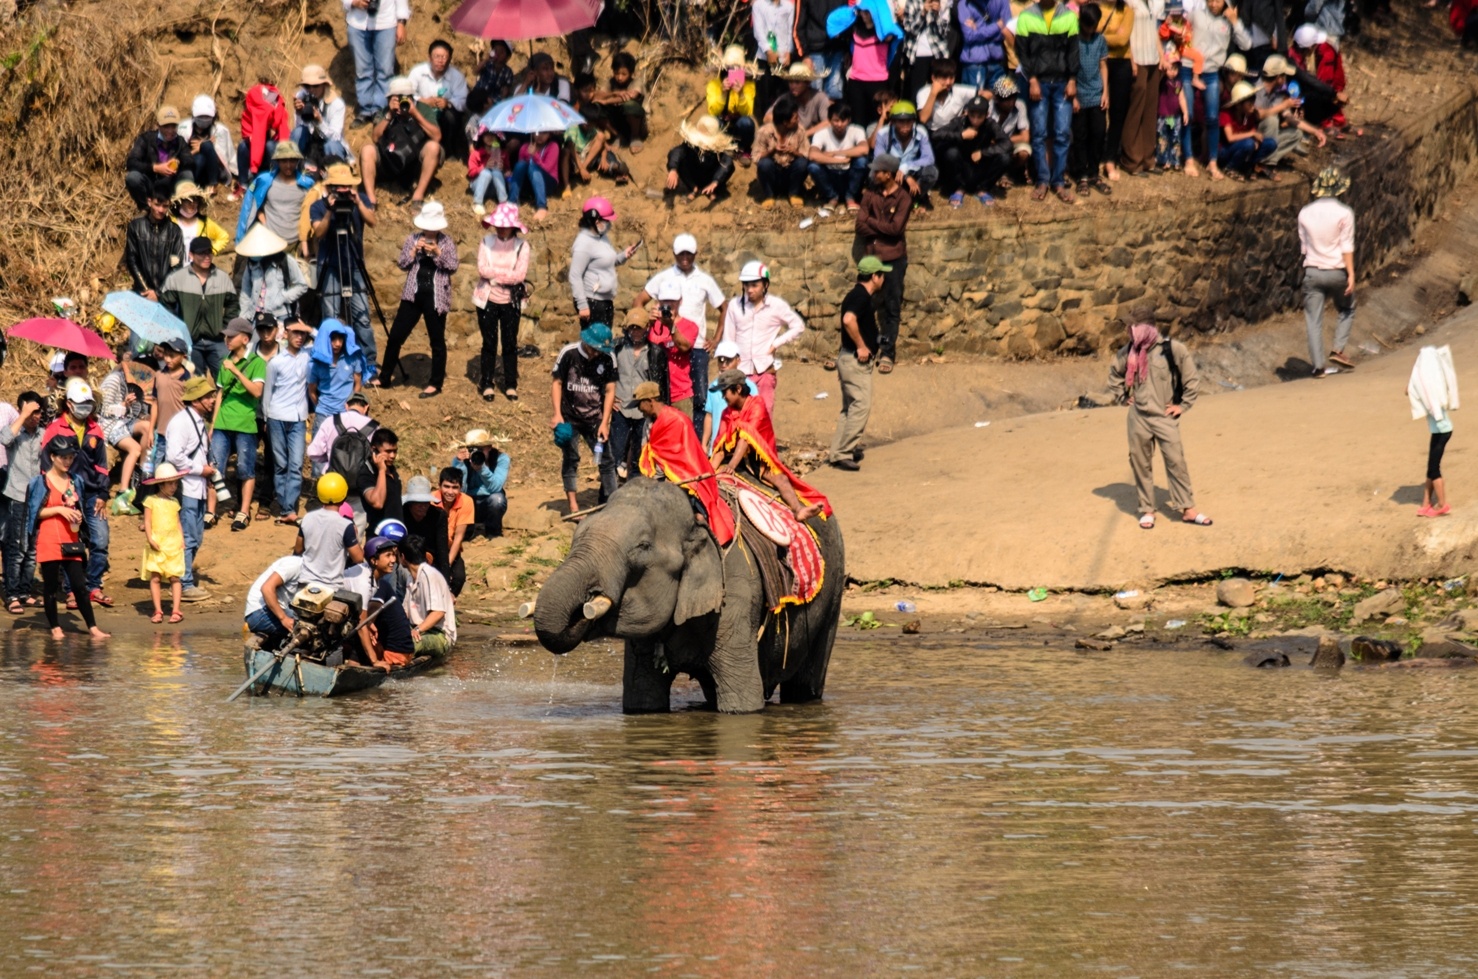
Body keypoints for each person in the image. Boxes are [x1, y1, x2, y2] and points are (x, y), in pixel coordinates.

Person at [1109, 303, 1211, 529]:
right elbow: (1114, 375)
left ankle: (1187, 508)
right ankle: (1147, 509)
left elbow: (1191, 378)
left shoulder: (1172, 350)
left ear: (1145, 328)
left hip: (1164, 417)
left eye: (1133, 327)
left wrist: (1182, 405)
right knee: (1140, 462)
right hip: (1139, 418)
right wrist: (1122, 397)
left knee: (1176, 461)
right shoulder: (1127, 352)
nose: (1129, 332)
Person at [630, 234, 727, 434]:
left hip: (696, 345)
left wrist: (716, 339)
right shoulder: (663, 278)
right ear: (674, 254)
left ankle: (696, 442)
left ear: (695, 254)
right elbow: (638, 301)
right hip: (664, 345)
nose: (685, 257)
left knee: (699, 398)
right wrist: (645, 320)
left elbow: (724, 307)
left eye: (689, 253)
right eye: (681, 253)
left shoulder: (705, 280)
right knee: (663, 395)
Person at [711, 368, 829, 521]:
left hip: (760, 461)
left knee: (782, 480)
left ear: (738, 389)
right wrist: (710, 473)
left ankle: (798, 510)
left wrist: (731, 467)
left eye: (725, 392)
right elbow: (721, 446)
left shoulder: (757, 404)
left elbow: (747, 436)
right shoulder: (727, 413)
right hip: (733, 458)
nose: (722, 396)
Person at [39, 379, 113, 608]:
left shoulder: (95, 429)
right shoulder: (54, 429)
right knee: (72, 543)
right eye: (81, 403)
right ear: (69, 404)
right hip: (66, 495)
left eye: (88, 402)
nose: (85, 406)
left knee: (100, 540)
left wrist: (103, 493)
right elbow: (44, 465)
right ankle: (72, 590)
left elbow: (102, 465)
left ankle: (93, 585)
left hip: (92, 494)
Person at [633, 382, 736, 544]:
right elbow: (648, 452)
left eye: (640, 404)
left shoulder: (677, 420)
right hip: (656, 480)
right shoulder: (648, 424)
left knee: (696, 516)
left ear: (651, 400)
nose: (639, 409)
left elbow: (686, 457)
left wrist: (670, 479)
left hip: (685, 478)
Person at [27, 434, 108, 640]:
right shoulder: (40, 481)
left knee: (80, 586)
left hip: (71, 538)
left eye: (71, 457)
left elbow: (76, 506)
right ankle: (55, 627)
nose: (67, 461)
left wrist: (77, 515)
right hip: (48, 538)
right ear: (53, 457)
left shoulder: (76, 480)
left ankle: (93, 627)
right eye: (63, 457)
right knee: (51, 586)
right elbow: (35, 514)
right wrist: (58, 510)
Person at [379, 203, 458, 398]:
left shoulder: (446, 242)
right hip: (412, 295)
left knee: (437, 341)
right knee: (396, 336)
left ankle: (435, 383)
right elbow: (403, 264)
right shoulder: (413, 238)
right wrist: (414, 252)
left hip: (436, 297)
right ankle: (385, 376)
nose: (429, 231)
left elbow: (452, 266)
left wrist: (437, 253)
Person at [308, 163, 378, 377]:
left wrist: (357, 201)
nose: (342, 191)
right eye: (338, 187)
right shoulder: (318, 206)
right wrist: (329, 211)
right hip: (329, 264)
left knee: (362, 316)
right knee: (330, 316)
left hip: (354, 264)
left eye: (346, 186)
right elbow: (318, 233)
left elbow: (373, 221)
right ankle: (330, 361)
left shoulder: (360, 201)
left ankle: (370, 362)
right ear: (329, 188)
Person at [720, 262, 805, 416]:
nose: (750, 289)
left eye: (755, 285)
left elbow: (798, 326)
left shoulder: (776, 306)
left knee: (762, 419)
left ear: (765, 285)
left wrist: (776, 344)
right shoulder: (735, 306)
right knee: (739, 418)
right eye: (746, 285)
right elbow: (728, 340)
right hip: (740, 375)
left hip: (765, 372)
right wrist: (726, 371)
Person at [1016, 0, 1080, 202]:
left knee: (1062, 133)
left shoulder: (1069, 16)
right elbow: (1022, 52)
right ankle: (1042, 180)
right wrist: (1032, 80)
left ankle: (1058, 181)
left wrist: (1072, 79)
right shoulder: (1026, 17)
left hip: (1062, 83)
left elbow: (1074, 51)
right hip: (1039, 83)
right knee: (1039, 133)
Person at [552, 324, 618, 514]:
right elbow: (557, 383)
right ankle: (573, 506)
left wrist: (605, 422)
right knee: (571, 459)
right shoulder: (569, 353)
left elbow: (610, 390)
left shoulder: (608, 358)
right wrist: (557, 414)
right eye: (595, 349)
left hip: (595, 417)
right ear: (587, 343)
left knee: (607, 460)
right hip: (569, 416)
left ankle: (614, 504)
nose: (597, 354)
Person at [1298, 166, 1357, 378]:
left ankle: (1318, 367)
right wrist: (1351, 273)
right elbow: (1346, 246)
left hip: (1312, 271)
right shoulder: (1345, 213)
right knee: (1347, 309)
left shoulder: (1304, 213)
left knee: (1313, 319)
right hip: (1336, 271)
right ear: (1338, 190)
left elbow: (1304, 248)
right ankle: (1338, 349)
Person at [829, 257, 887, 471]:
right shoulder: (860, 297)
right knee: (861, 406)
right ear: (874, 276)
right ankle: (843, 452)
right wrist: (862, 346)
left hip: (848, 359)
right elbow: (848, 320)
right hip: (855, 360)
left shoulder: (857, 295)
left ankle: (839, 451)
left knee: (850, 408)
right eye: (882, 275)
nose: (884, 279)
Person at [855, 154, 911, 373]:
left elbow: (896, 230)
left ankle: (887, 353)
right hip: (871, 258)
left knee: (891, 307)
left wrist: (870, 221)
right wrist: (880, 226)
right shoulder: (870, 195)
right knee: (864, 305)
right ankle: (867, 348)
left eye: (877, 171)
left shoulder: (904, 198)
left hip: (893, 259)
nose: (873, 174)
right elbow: (859, 226)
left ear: (888, 174)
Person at [164, 376, 218, 600]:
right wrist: (200, 469)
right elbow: (173, 456)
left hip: (198, 488)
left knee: (196, 537)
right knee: (187, 537)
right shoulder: (181, 423)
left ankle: (182, 579)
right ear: (195, 400)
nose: (213, 400)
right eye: (208, 397)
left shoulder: (197, 422)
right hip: (186, 488)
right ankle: (184, 583)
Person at [212, 318, 266, 529]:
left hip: (245, 424)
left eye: (231, 336)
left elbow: (256, 392)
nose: (227, 340)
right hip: (222, 423)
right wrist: (213, 424)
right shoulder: (224, 361)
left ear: (245, 339)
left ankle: (243, 511)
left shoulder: (257, 363)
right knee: (215, 468)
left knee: (245, 468)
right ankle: (211, 510)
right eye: (226, 336)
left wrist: (235, 370)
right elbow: (219, 394)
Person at [473, 204, 530, 402]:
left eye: (505, 226)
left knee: (510, 342)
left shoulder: (522, 246)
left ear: (513, 227)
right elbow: (482, 269)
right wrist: (504, 276)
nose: (501, 229)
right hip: (487, 298)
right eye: (498, 225)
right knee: (489, 342)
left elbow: (519, 275)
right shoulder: (486, 241)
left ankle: (510, 383)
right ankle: (487, 382)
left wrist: (497, 277)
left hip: (511, 300)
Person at [1190, 0, 1252, 179]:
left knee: (1212, 118)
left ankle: (1211, 161)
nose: (1214, 4)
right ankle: (1199, 155)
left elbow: (1246, 44)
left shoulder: (1227, 21)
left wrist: (1235, 21)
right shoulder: (1197, 14)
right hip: (1195, 69)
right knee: (1201, 119)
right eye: (1211, 1)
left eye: (1218, 1)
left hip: (1212, 73)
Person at [161, 237, 240, 376]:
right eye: (201, 253)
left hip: (217, 340)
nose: (207, 257)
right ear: (191, 255)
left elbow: (233, 304)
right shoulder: (178, 278)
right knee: (195, 384)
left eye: (209, 252)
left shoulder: (222, 278)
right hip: (190, 342)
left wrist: (226, 328)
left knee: (226, 378)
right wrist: (177, 328)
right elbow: (165, 304)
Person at [361, 76, 443, 206]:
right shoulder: (386, 111)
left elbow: (437, 136)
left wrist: (415, 113)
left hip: (415, 160)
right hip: (390, 158)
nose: (400, 102)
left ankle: (418, 196)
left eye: (404, 98)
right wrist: (389, 115)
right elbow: (375, 137)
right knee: (367, 150)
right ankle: (371, 200)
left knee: (433, 147)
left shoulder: (422, 109)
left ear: (411, 97)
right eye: (396, 98)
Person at [263, 321, 315, 522]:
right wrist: (267, 417)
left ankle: (287, 509)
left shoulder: (307, 356)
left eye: (303, 334)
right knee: (281, 464)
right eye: (296, 333)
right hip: (276, 416)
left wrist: (310, 328)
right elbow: (268, 393)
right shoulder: (275, 362)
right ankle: (287, 509)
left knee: (295, 464)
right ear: (286, 334)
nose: (300, 337)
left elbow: (324, 341)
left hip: (299, 417)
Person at [1, 393, 44, 613]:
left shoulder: (42, 435)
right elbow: (4, 438)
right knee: (16, 547)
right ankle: (12, 594)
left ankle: (25, 591)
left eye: (38, 412)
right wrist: (23, 413)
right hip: (16, 495)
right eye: (32, 412)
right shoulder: (15, 433)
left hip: (37, 499)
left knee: (32, 549)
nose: (35, 416)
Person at [570, 196, 637, 330]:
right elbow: (575, 275)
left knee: (604, 344)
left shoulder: (602, 237)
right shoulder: (584, 243)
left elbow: (607, 262)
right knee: (594, 346)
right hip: (592, 302)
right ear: (595, 221)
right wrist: (582, 305)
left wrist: (624, 255)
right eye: (606, 221)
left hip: (605, 301)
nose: (609, 224)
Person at [1408, 345, 1459, 518]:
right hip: (1440, 431)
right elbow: (1414, 389)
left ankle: (1443, 504)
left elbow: (1425, 392)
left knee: (1433, 468)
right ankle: (1425, 505)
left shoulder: (1431, 387)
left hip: (1443, 431)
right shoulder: (1432, 384)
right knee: (1430, 468)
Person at [835, 1, 902, 127]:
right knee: (857, 123)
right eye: (862, 12)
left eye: (867, 12)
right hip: (856, 81)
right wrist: (852, 12)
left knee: (876, 122)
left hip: (878, 81)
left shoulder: (884, 32)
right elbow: (835, 28)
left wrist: (880, 11)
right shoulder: (854, 28)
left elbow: (892, 31)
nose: (864, 15)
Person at [1254, 55, 1327, 171]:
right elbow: (1258, 115)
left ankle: (1266, 162)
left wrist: (1315, 131)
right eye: (1284, 75)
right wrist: (1283, 105)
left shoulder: (1277, 92)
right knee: (1272, 120)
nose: (1286, 79)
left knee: (1296, 134)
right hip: (1255, 134)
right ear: (1278, 77)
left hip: (1267, 134)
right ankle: (1261, 163)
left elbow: (1289, 117)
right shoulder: (1258, 88)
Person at [98, 353, 153, 506]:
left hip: (127, 421)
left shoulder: (139, 384)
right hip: (111, 423)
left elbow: (137, 412)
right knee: (135, 449)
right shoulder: (114, 379)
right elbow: (103, 410)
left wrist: (145, 415)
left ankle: (142, 472)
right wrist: (123, 404)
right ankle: (122, 491)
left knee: (148, 427)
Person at [1119, 0, 1165, 176]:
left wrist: (1162, 55)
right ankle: (1132, 160)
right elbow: (1126, 31)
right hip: (1137, 57)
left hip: (1152, 57)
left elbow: (1154, 30)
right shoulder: (1130, 2)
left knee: (1150, 108)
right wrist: (1131, 60)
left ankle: (1148, 159)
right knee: (1136, 109)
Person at [1070, 4, 1112, 197]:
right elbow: (1068, 70)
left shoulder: (1100, 40)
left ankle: (1094, 173)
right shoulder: (1074, 40)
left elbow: (1103, 65)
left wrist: (1105, 92)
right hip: (1079, 95)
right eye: (1088, 25)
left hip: (1096, 95)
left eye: (1093, 25)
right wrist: (1073, 97)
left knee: (1098, 134)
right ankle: (1081, 176)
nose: (1090, 29)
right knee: (1080, 137)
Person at [296, 472, 364, 589]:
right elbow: (358, 558)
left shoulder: (307, 518)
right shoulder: (345, 525)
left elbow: (298, 549)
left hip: (304, 582)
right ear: (344, 496)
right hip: (330, 587)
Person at [345, 0, 409, 124]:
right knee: (362, 70)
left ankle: (380, 109)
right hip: (357, 23)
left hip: (386, 23)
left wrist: (401, 22)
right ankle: (365, 110)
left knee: (385, 71)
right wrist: (354, 2)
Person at [941, 97, 1012, 208]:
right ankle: (959, 188)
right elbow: (936, 135)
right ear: (967, 113)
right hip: (962, 168)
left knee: (1005, 158)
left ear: (987, 115)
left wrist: (983, 153)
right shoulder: (959, 122)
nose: (975, 120)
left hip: (981, 167)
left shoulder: (991, 124)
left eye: (979, 117)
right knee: (950, 153)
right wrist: (960, 135)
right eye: (972, 116)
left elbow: (1007, 144)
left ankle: (982, 190)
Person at [611, 315, 657, 480]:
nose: (636, 332)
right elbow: (605, 375)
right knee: (614, 453)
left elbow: (658, 381)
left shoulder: (654, 351)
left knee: (639, 455)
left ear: (647, 328)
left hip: (642, 411)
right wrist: (607, 398)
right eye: (632, 328)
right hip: (621, 408)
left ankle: (634, 491)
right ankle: (608, 494)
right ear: (626, 329)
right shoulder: (617, 348)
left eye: (639, 327)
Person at [359, 536, 415, 669]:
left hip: (395, 653)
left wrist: (374, 660)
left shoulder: (378, 586)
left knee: (359, 637)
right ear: (374, 561)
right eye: (388, 556)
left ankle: (353, 664)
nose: (393, 560)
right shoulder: (376, 583)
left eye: (394, 555)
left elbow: (364, 623)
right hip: (401, 650)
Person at [236, 224, 309, 326]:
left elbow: (302, 285)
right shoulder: (251, 263)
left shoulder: (285, 260)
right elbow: (245, 290)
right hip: (254, 316)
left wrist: (283, 297)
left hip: (279, 316)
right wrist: (243, 316)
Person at [140, 462, 186, 623]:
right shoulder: (150, 500)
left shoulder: (175, 502)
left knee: (175, 577)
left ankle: (176, 610)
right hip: (157, 542)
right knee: (155, 577)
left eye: (175, 483)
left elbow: (177, 522)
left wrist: (182, 539)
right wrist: (150, 538)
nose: (174, 487)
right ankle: (158, 610)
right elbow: (147, 522)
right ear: (161, 484)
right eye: (170, 483)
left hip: (173, 542)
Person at [408, 40, 470, 159]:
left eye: (444, 57)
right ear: (429, 57)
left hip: (444, 114)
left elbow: (463, 101)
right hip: (422, 112)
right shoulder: (418, 72)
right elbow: (407, 94)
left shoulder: (456, 76)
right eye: (437, 56)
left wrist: (448, 103)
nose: (440, 60)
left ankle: (448, 150)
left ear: (450, 59)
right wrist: (422, 101)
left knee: (451, 117)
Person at [124, 184, 186, 301]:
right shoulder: (136, 227)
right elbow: (132, 260)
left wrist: (158, 292)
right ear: (149, 202)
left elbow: (176, 265)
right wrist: (146, 289)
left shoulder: (175, 232)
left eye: (165, 206)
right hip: (142, 291)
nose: (160, 210)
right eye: (157, 205)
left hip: (166, 293)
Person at [647, 281, 700, 415]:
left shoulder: (690, 326)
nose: (669, 305)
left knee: (684, 434)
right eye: (665, 301)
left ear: (680, 301)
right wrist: (647, 325)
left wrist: (671, 326)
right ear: (659, 301)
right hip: (656, 395)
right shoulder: (653, 325)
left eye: (672, 301)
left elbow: (684, 347)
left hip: (680, 394)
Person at [872, 101, 938, 207]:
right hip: (891, 172)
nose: (905, 126)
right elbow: (879, 159)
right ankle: (892, 198)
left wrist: (906, 167)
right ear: (893, 122)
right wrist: (906, 176)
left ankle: (914, 197)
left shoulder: (920, 131)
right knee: (873, 175)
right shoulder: (883, 133)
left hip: (913, 170)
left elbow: (929, 158)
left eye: (909, 121)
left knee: (931, 171)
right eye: (901, 122)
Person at [399, 536, 456, 655]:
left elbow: (438, 613)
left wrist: (417, 630)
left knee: (408, 644)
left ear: (403, 557)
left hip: (439, 634)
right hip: (417, 628)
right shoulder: (411, 577)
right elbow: (405, 612)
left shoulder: (429, 575)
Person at [125, 106, 190, 208]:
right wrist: (155, 168)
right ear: (158, 125)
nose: (170, 131)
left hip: (170, 185)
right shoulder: (146, 139)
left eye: (173, 126)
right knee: (132, 177)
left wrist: (178, 163)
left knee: (187, 174)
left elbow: (190, 161)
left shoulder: (180, 142)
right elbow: (131, 162)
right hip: (151, 184)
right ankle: (146, 208)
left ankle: (178, 208)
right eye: (166, 127)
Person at [809, 102, 870, 209]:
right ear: (829, 120)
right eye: (836, 120)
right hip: (830, 174)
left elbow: (864, 149)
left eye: (843, 120)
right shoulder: (821, 133)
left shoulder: (857, 130)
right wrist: (840, 161)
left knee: (862, 161)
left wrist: (835, 153)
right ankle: (832, 197)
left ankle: (850, 197)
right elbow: (813, 155)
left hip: (849, 175)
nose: (840, 124)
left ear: (849, 120)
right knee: (813, 167)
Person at [753, 95, 811, 208]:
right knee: (764, 164)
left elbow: (807, 154)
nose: (798, 119)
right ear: (785, 122)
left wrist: (794, 152)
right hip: (773, 174)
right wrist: (771, 151)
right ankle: (769, 196)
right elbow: (756, 157)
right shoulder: (764, 132)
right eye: (795, 117)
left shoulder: (800, 131)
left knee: (803, 163)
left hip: (791, 174)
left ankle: (793, 194)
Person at [666, 116, 738, 203]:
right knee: (680, 160)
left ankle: (713, 190)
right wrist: (673, 169)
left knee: (729, 167)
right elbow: (677, 152)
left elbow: (727, 163)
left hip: (711, 175)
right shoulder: (691, 143)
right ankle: (694, 188)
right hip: (693, 173)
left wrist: (716, 181)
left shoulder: (720, 148)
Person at [1289, 24, 1348, 131]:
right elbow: (1306, 78)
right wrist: (1333, 93)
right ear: (1310, 47)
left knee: (1328, 98)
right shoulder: (1291, 61)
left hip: (1297, 97)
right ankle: (1304, 127)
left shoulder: (1296, 56)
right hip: (1292, 101)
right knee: (1327, 99)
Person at [309, 319, 366, 430]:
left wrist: (351, 406)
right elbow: (311, 391)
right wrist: (321, 407)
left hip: (345, 414)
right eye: (333, 339)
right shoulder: (317, 363)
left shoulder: (353, 358)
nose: (338, 344)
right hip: (323, 415)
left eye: (341, 338)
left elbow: (358, 384)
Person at [308, 390, 375, 482]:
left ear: (346, 406)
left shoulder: (330, 421)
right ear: (366, 407)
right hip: (362, 482)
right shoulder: (373, 426)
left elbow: (313, 452)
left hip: (333, 481)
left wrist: (330, 456)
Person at [706, 45, 759, 160]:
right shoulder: (714, 84)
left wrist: (741, 94)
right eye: (729, 69)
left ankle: (743, 150)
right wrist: (723, 93)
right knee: (712, 122)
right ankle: (722, 149)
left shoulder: (748, 85)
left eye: (736, 69)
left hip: (739, 126)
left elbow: (748, 112)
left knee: (747, 123)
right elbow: (713, 111)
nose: (732, 72)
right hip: (722, 123)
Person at [451, 430, 509, 534]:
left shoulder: (501, 459)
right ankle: (466, 531)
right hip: (468, 503)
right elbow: (460, 490)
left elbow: (495, 487)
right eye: (472, 449)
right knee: (459, 498)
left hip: (488, 503)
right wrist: (460, 466)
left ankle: (493, 532)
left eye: (481, 449)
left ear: (489, 447)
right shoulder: (460, 462)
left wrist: (482, 469)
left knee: (497, 499)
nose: (477, 453)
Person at [292, 64, 351, 166]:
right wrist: (299, 113)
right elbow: (298, 130)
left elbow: (335, 137)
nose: (311, 90)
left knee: (331, 145)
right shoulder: (301, 96)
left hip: (329, 145)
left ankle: (336, 176)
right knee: (298, 132)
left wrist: (320, 122)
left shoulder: (336, 104)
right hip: (310, 146)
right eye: (307, 86)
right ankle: (293, 171)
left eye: (315, 85)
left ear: (324, 84)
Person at [700, 343, 755, 452]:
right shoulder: (713, 387)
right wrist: (704, 444)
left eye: (728, 360)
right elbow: (709, 416)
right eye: (720, 360)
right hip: (717, 448)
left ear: (738, 360)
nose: (723, 364)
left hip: (740, 450)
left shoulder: (749, 387)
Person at [1216, 80, 1276, 177]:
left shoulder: (1249, 115)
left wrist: (1255, 139)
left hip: (1243, 145)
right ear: (1239, 105)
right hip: (1225, 150)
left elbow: (1252, 129)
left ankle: (1247, 166)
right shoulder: (1226, 114)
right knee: (1248, 144)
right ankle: (1230, 167)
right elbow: (1230, 138)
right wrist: (1252, 135)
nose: (1253, 107)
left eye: (1253, 103)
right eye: (1249, 104)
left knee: (1271, 143)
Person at [149, 340, 192, 473]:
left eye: (172, 356)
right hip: (162, 434)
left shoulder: (187, 379)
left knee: (177, 471)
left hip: (180, 435)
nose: (167, 359)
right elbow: (155, 403)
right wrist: (151, 430)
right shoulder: (159, 375)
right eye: (166, 355)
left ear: (183, 356)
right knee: (159, 469)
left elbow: (190, 409)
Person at [237, 78, 289, 190]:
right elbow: (248, 136)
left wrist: (271, 130)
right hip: (256, 159)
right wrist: (255, 135)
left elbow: (283, 140)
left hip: (273, 158)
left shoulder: (280, 114)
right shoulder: (249, 115)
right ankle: (243, 184)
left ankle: (275, 181)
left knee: (270, 145)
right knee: (243, 146)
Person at [244, 554, 306, 644]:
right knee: (308, 631)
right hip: (260, 612)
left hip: (267, 611)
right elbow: (266, 589)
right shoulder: (295, 564)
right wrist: (284, 618)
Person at [180, 95, 237, 193]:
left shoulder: (220, 131)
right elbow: (179, 157)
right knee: (200, 158)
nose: (204, 119)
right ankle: (193, 186)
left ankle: (212, 184)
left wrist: (205, 146)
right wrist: (197, 150)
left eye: (207, 117)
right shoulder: (184, 129)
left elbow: (227, 156)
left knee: (207, 146)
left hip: (214, 170)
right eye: (201, 116)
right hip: (193, 168)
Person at [593, 50, 648, 150]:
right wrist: (613, 93)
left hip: (637, 125)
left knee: (630, 105)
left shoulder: (636, 82)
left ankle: (635, 137)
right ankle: (617, 135)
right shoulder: (610, 82)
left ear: (631, 73)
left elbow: (629, 97)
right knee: (595, 107)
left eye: (624, 74)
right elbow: (597, 96)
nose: (619, 77)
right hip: (618, 122)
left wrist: (606, 101)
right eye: (617, 73)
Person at [795, 0, 849, 100]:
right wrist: (805, 55)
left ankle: (830, 115)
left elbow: (847, 18)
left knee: (835, 92)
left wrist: (847, 49)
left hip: (837, 49)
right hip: (814, 51)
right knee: (815, 93)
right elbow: (798, 26)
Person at [433, 468, 473, 595]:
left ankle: (447, 603)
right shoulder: (431, 500)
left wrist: (446, 565)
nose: (450, 492)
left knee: (459, 578)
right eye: (446, 487)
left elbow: (459, 537)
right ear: (439, 486)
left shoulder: (466, 501)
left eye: (455, 487)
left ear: (461, 488)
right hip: (432, 547)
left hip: (451, 547)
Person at [400, 474, 449, 575]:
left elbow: (442, 550)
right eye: (419, 503)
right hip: (406, 562)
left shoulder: (438, 515)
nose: (423, 506)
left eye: (426, 502)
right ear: (410, 503)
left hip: (431, 561)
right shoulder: (400, 514)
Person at [958, 0, 1012, 90]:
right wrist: (997, 26)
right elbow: (969, 36)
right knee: (975, 101)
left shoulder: (1002, 1)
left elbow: (1007, 30)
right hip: (975, 63)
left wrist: (977, 28)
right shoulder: (964, 4)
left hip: (997, 63)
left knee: (1001, 100)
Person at [508, 130, 560, 221]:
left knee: (533, 168)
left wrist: (535, 155)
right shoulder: (525, 147)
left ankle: (542, 207)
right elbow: (520, 170)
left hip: (548, 181)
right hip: (530, 183)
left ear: (549, 135)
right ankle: (512, 202)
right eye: (537, 133)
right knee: (520, 165)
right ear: (532, 133)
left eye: (544, 133)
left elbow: (547, 169)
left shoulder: (553, 146)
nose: (540, 136)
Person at [1155, 47, 1191, 171]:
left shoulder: (1178, 82)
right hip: (1163, 115)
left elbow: (1181, 98)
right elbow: (1160, 72)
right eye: (1170, 68)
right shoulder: (1162, 81)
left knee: (1176, 138)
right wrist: (1164, 65)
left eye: (1175, 69)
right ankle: (1163, 160)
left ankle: (1175, 160)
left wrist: (1185, 112)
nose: (1173, 72)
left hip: (1175, 115)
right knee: (1162, 137)